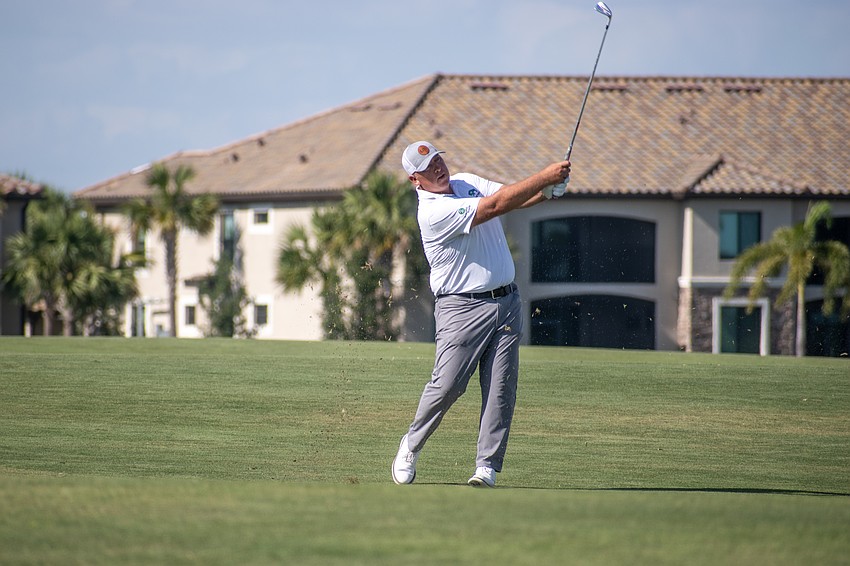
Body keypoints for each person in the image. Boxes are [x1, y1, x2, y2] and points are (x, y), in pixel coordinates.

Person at [392, 140, 570, 487]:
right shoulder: (431, 212)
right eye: (429, 169)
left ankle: (486, 465)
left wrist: (548, 192)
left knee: (500, 387)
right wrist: (545, 175)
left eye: (439, 160)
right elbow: (494, 206)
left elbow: (511, 200)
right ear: (416, 180)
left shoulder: (465, 182)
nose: (439, 169)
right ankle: (411, 444)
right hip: (461, 307)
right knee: (447, 386)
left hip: (506, 303)